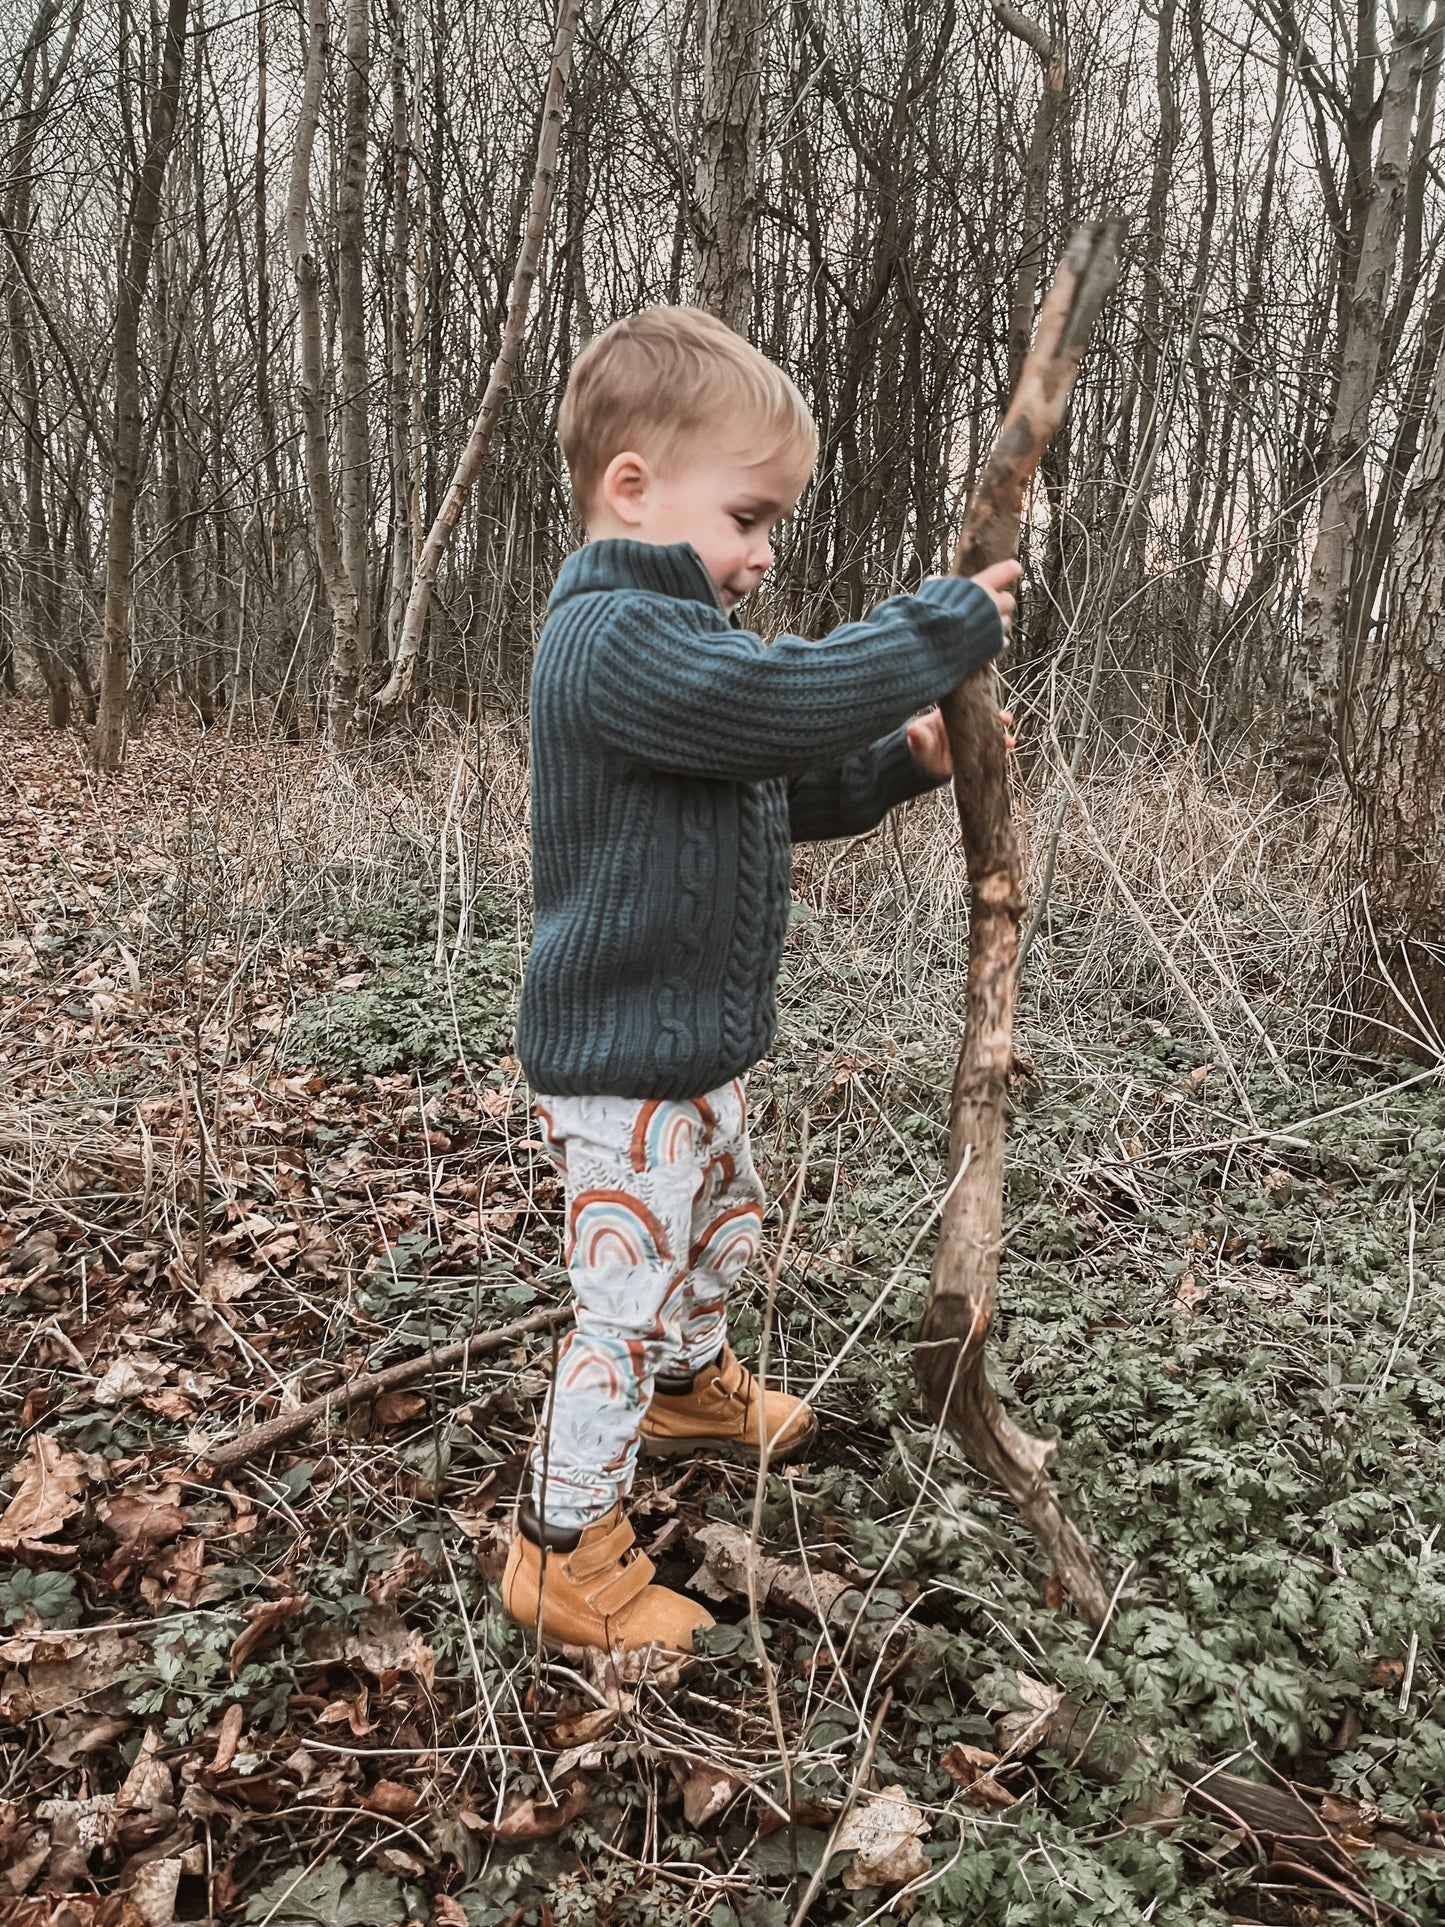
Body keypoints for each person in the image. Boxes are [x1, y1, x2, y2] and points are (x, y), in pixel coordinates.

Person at [501, 306, 1019, 1655]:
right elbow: (773, 706)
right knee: (619, 1296)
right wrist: (937, 629)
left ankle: (690, 1389)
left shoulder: (681, 658)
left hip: (691, 1050)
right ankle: (562, 1550)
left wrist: (904, 760)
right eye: (745, 514)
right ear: (634, 488)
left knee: (722, 1225)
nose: (761, 552)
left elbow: (773, 789)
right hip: (617, 1064)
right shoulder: (615, 636)